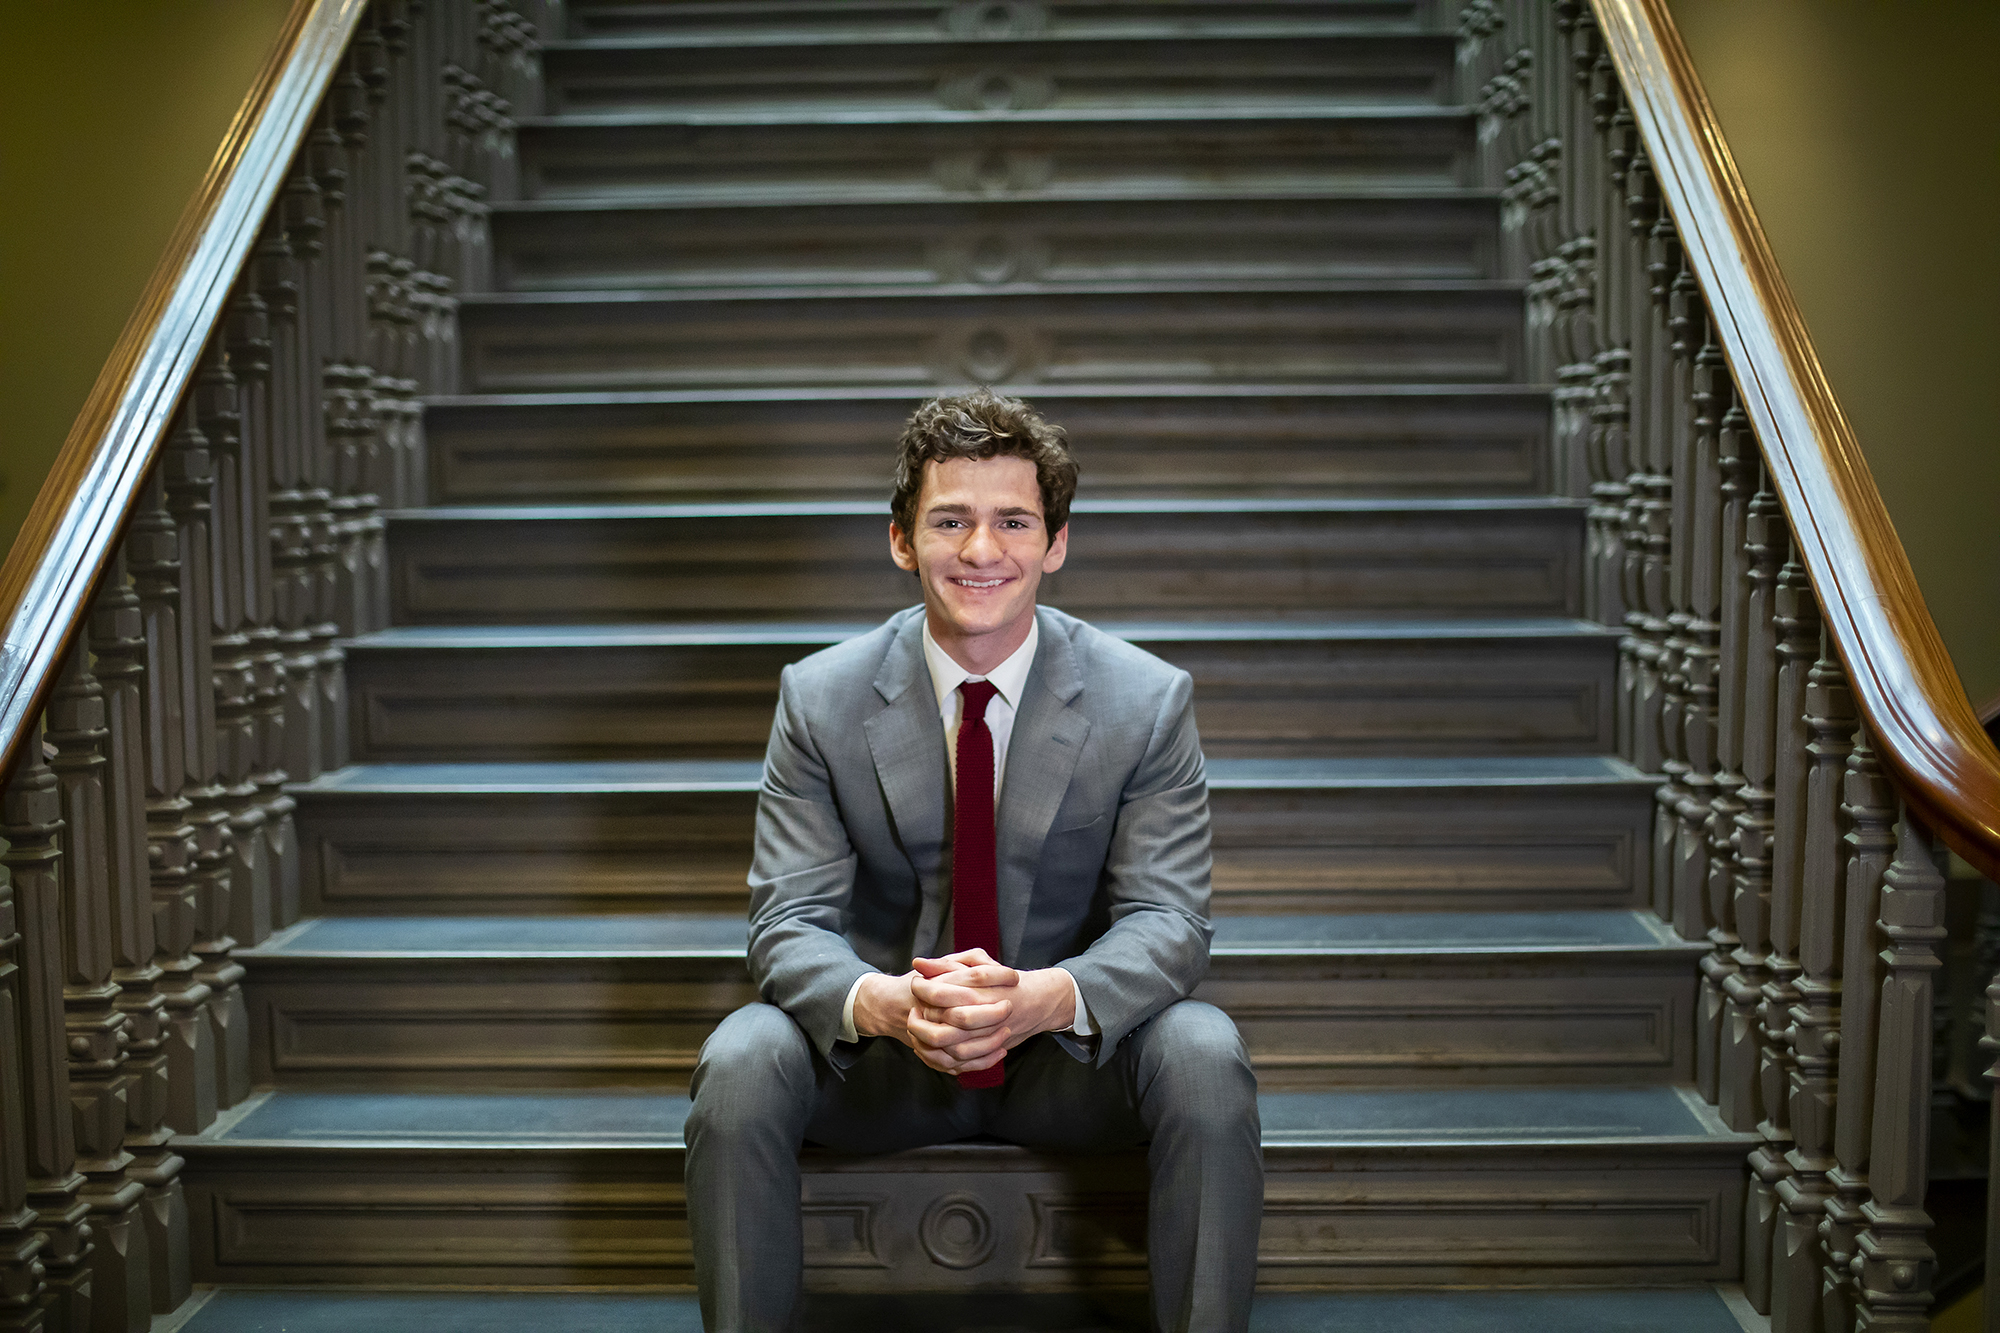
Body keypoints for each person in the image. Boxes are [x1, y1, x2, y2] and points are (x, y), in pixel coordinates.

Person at [684, 388, 1263, 1332]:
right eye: (950, 520)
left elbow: (1171, 921)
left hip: (1065, 1059)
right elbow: (786, 921)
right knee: (741, 1055)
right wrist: (884, 1003)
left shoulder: (1146, 700)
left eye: (1013, 521)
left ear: (1057, 541)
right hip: (881, 1059)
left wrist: (1045, 997)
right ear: (902, 540)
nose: (982, 550)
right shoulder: (819, 698)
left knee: (1203, 1051)